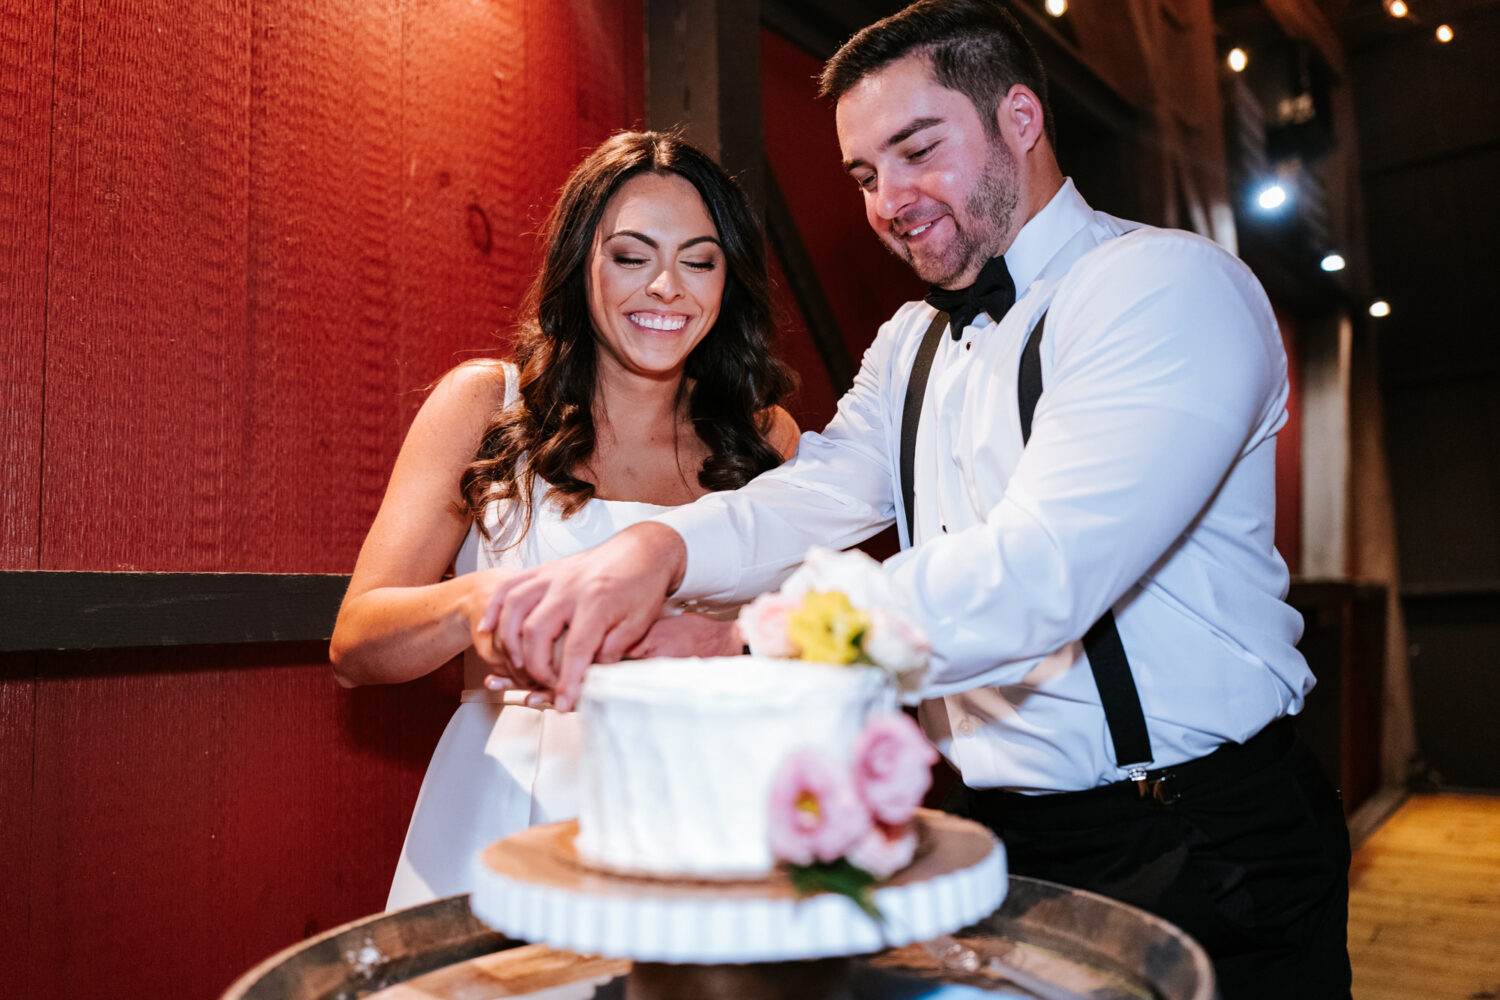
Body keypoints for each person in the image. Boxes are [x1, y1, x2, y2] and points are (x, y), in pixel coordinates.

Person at [477, 3, 1352, 996]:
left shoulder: (1164, 288)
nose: (890, 199)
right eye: (864, 175)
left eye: (916, 149)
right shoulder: (910, 342)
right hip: (995, 834)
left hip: (1201, 837)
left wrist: (744, 640)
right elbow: (813, 491)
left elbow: (1040, 573)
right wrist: (657, 553)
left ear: (1019, 116)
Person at [328, 130, 799, 911]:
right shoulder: (488, 405)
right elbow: (356, 645)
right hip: (512, 804)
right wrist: (482, 603)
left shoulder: (766, 437)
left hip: (712, 808)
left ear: (729, 279)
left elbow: (801, 637)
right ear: (581, 263)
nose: (666, 288)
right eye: (631, 256)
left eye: (699, 260)